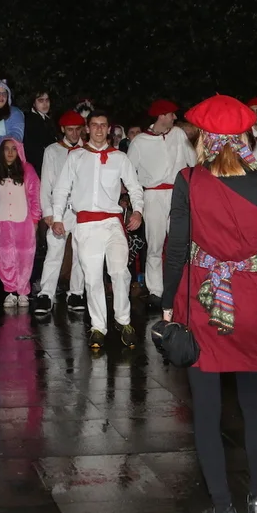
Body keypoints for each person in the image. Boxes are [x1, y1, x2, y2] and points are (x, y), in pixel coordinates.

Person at [159, 94, 257, 513]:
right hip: (251, 300)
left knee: (207, 409)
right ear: (245, 136)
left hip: (203, 300)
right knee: (253, 402)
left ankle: (223, 510)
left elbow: (177, 247)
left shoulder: (189, 179)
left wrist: (168, 301)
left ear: (204, 139)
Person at [51, 111, 143, 348]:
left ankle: (124, 321)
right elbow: (61, 188)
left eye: (103, 125)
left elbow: (134, 187)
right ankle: (98, 327)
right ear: (87, 129)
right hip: (86, 225)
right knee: (92, 277)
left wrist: (137, 211)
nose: (99, 129)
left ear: (109, 129)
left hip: (112, 223)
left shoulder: (119, 158)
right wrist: (57, 217)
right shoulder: (76, 156)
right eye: (95, 125)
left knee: (120, 272)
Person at [127, 99, 197, 303]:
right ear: (161, 116)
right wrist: (133, 201)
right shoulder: (140, 141)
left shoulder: (178, 134)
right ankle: (156, 291)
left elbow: (193, 162)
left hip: (178, 193)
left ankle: (181, 288)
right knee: (155, 244)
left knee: (180, 242)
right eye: (171, 114)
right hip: (153, 195)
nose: (175, 117)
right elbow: (129, 173)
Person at [35, 110, 87, 315]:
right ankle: (46, 294)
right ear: (63, 129)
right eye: (70, 130)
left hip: (82, 210)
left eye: (77, 130)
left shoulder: (88, 150)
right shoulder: (52, 151)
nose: (74, 134)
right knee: (54, 251)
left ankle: (76, 292)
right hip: (60, 209)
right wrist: (48, 211)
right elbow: (46, 183)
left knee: (80, 252)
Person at [0, 139, 40, 306]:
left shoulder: (28, 170)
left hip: (23, 221)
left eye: (14, 149)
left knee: (25, 256)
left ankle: (23, 291)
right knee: (3, 256)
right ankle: (10, 291)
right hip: (1, 222)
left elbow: (34, 196)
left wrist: (35, 219)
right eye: (7, 149)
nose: (11, 152)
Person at [23, 90, 54, 171]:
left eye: (47, 100)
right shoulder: (31, 120)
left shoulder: (46, 119)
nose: (45, 104)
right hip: (39, 167)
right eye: (41, 100)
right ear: (33, 103)